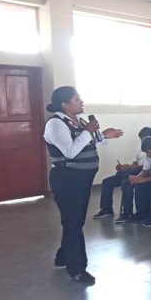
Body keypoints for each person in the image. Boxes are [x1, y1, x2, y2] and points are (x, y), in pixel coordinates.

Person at [43, 86, 123, 285]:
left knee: (74, 220)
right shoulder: (56, 124)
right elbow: (70, 151)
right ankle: (77, 268)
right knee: (73, 222)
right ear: (65, 104)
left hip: (82, 179)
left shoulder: (78, 121)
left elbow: (86, 143)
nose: (81, 102)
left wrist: (103, 135)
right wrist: (88, 131)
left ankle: (63, 255)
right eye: (77, 99)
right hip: (67, 179)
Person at [93, 126, 151, 219]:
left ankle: (127, 212)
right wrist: (125, 167)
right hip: (135, 170)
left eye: (144, 139)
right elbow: (135, 162)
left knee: (126, 182)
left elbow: (148, 167)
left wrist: (129, 167)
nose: (142, 142)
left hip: (145, 173)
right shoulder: (140, 148)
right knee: (107, 182)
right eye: (141, 139)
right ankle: (106, 210)